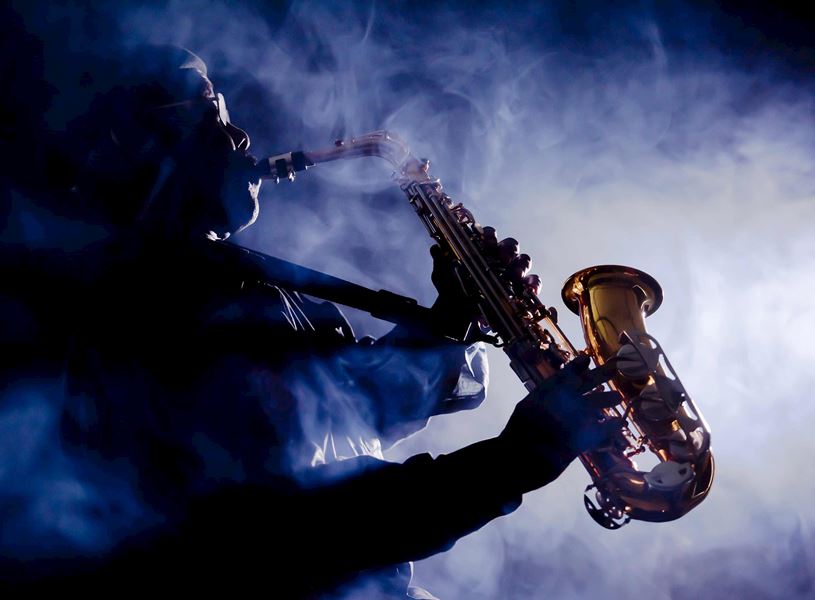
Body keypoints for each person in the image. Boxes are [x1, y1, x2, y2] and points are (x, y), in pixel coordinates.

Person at [0, 45, 622, 597]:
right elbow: (297, 530)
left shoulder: (240, 286)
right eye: (215, 117)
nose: (242, 137)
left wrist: (455, 314)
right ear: (150, 153)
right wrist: (516, 459)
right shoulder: (153, 312)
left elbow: (357, 413)